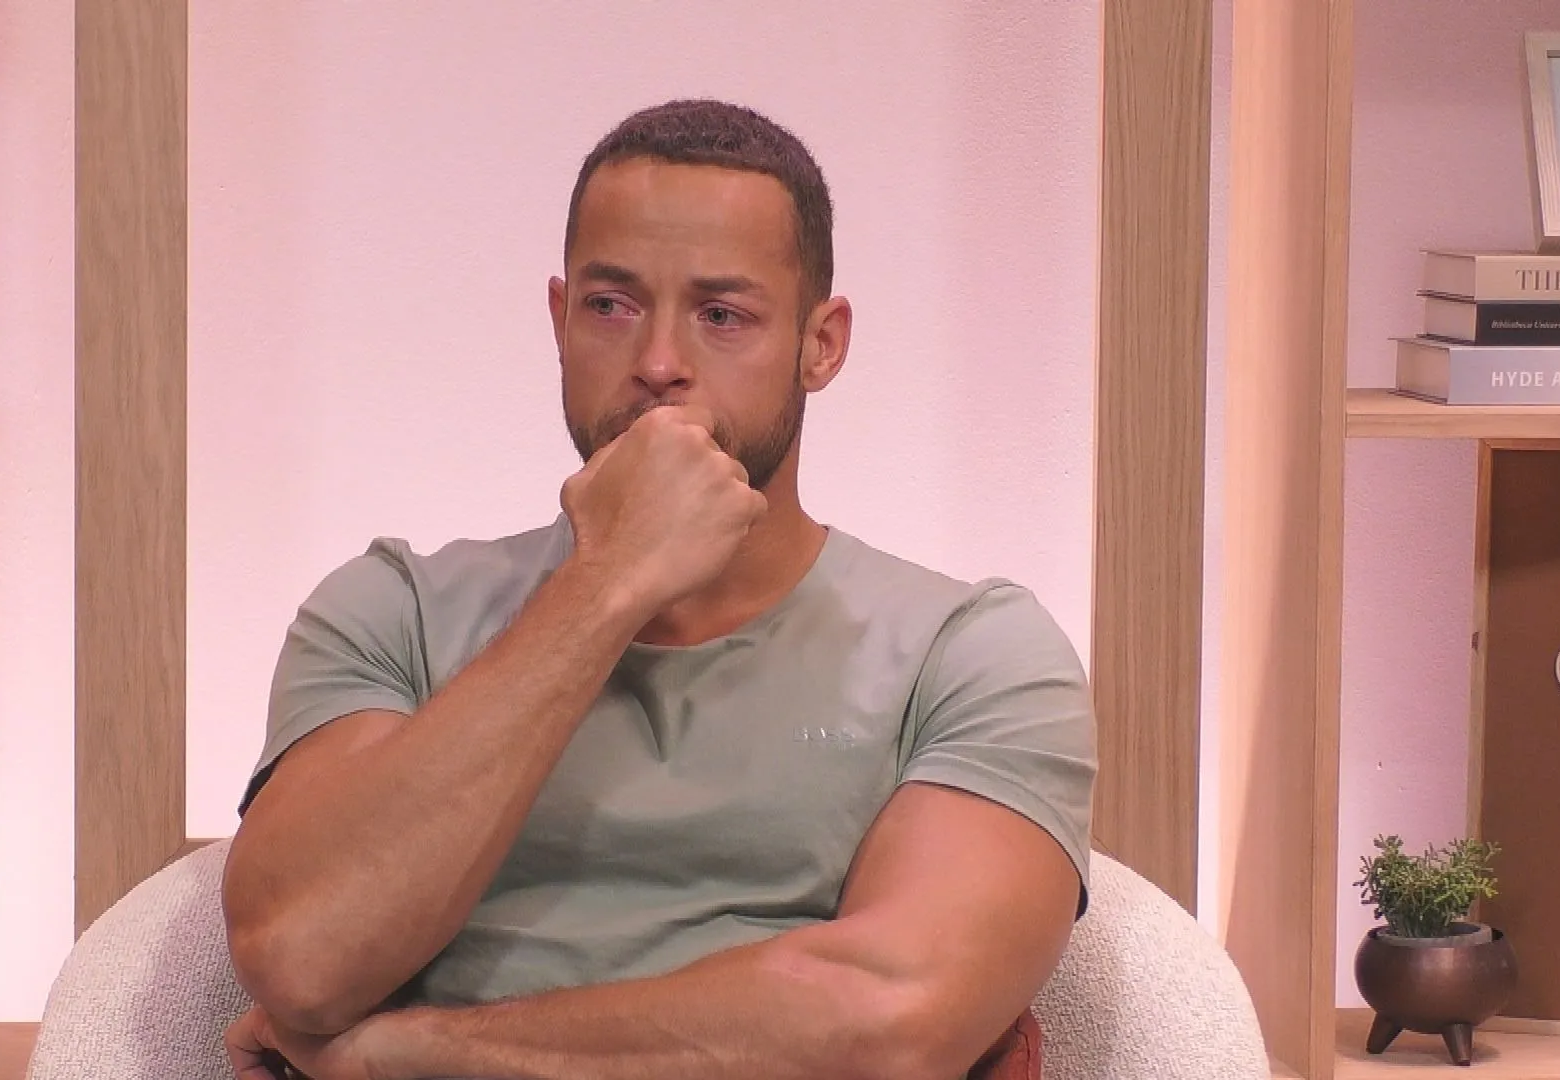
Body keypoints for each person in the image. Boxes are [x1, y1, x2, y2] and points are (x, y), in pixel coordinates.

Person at [219, 98, 1097, 1080]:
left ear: (821, 344)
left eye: (722, 315)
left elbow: (889, 1021)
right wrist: (607, 585)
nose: (659, 364)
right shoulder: (394, 611)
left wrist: (404, 1054)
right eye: (612, 305)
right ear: (558, 320)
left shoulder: (972, 651)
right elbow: (301, 956)